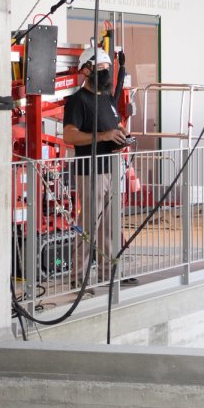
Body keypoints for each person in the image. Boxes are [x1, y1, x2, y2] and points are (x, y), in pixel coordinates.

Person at [63, 46, 130, 279]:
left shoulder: (106, 99)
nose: (104, 72)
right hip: (91, 172)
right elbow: (69, 135)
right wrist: (103, 136)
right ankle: (78, 277)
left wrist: (121, 135)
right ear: (86, 71)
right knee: (90, 226)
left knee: (110, 227)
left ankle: (107, 273)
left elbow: (114, 126)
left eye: (106, 68)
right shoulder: (77, 101)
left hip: (111, 171)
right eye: (100, 68)